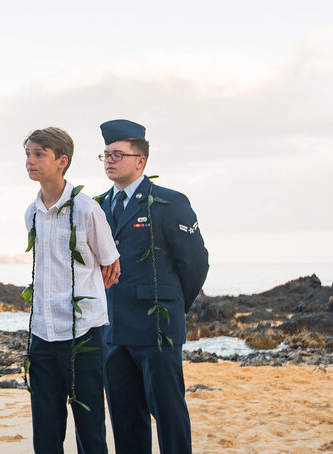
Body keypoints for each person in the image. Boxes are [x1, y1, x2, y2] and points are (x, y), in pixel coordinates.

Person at [97, 119, 208, 454]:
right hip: (113, 332)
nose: (109, 160)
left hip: (156, 330)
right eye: (104, 155)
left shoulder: (168, 202)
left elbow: (195, 264)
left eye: (117, 154)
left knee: (170, 417)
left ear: (140, 161)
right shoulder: (96, 205)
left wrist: (171, 306)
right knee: (125, 419)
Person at [22, 127, 119, 454]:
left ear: (62, 161)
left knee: (90, 432)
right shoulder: (31, 212)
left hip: (84, 336)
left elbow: (110, 267)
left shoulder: (87, 209)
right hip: (42, 337)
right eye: (28, 154)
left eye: (38, 154)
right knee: (45, 432)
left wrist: (83, 302)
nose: (30, 161)